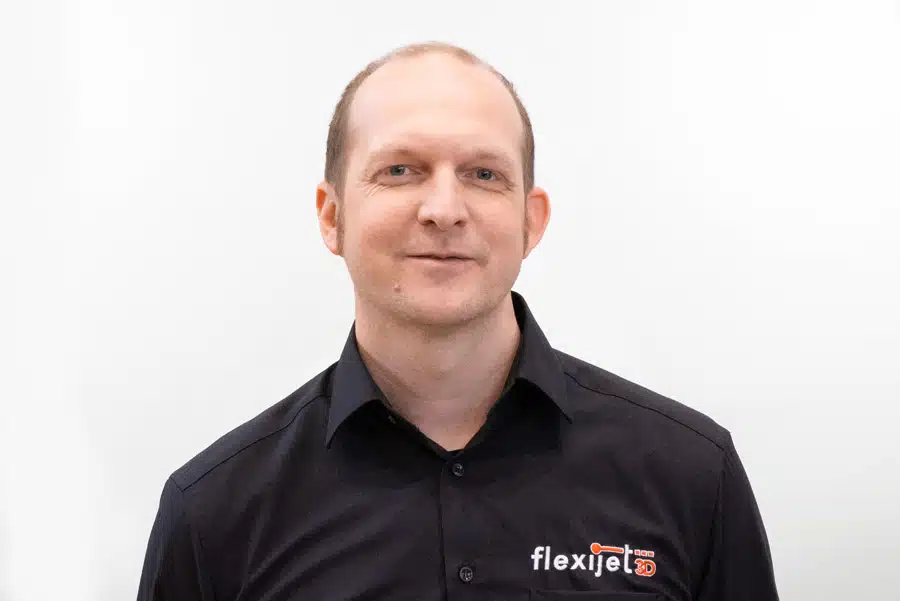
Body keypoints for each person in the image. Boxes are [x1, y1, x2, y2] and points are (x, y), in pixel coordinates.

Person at [137, 41, 780, 601]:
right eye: (399, 170)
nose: (444, 209)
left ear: (531, 221)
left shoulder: (692, 474)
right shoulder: (214, 513)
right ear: (332, 217)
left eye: (483, 174)